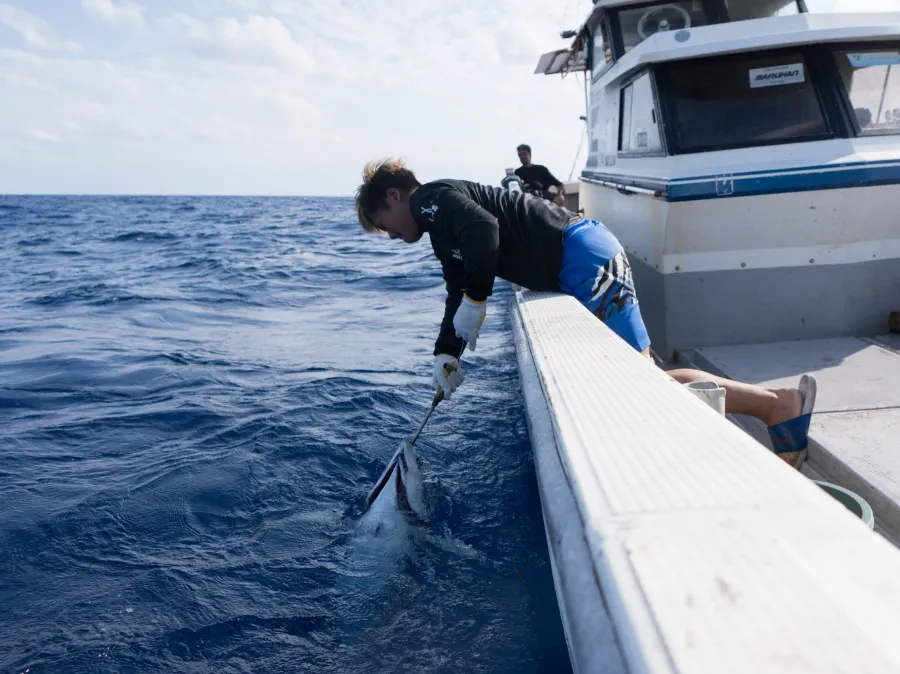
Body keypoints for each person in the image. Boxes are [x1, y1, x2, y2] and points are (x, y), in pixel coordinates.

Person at [354, 159, 816, 468]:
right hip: (573, 261)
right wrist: (446, 354)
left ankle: (776, 406)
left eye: (382, 223)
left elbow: (484, 229)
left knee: (643, 381)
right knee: (640, 380)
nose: (389, 234)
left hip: (582, 255)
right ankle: (769, 410)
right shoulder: (439, 231)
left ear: (395, 197)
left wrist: (477, 299)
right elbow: (458, 289)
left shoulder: (429, 200)